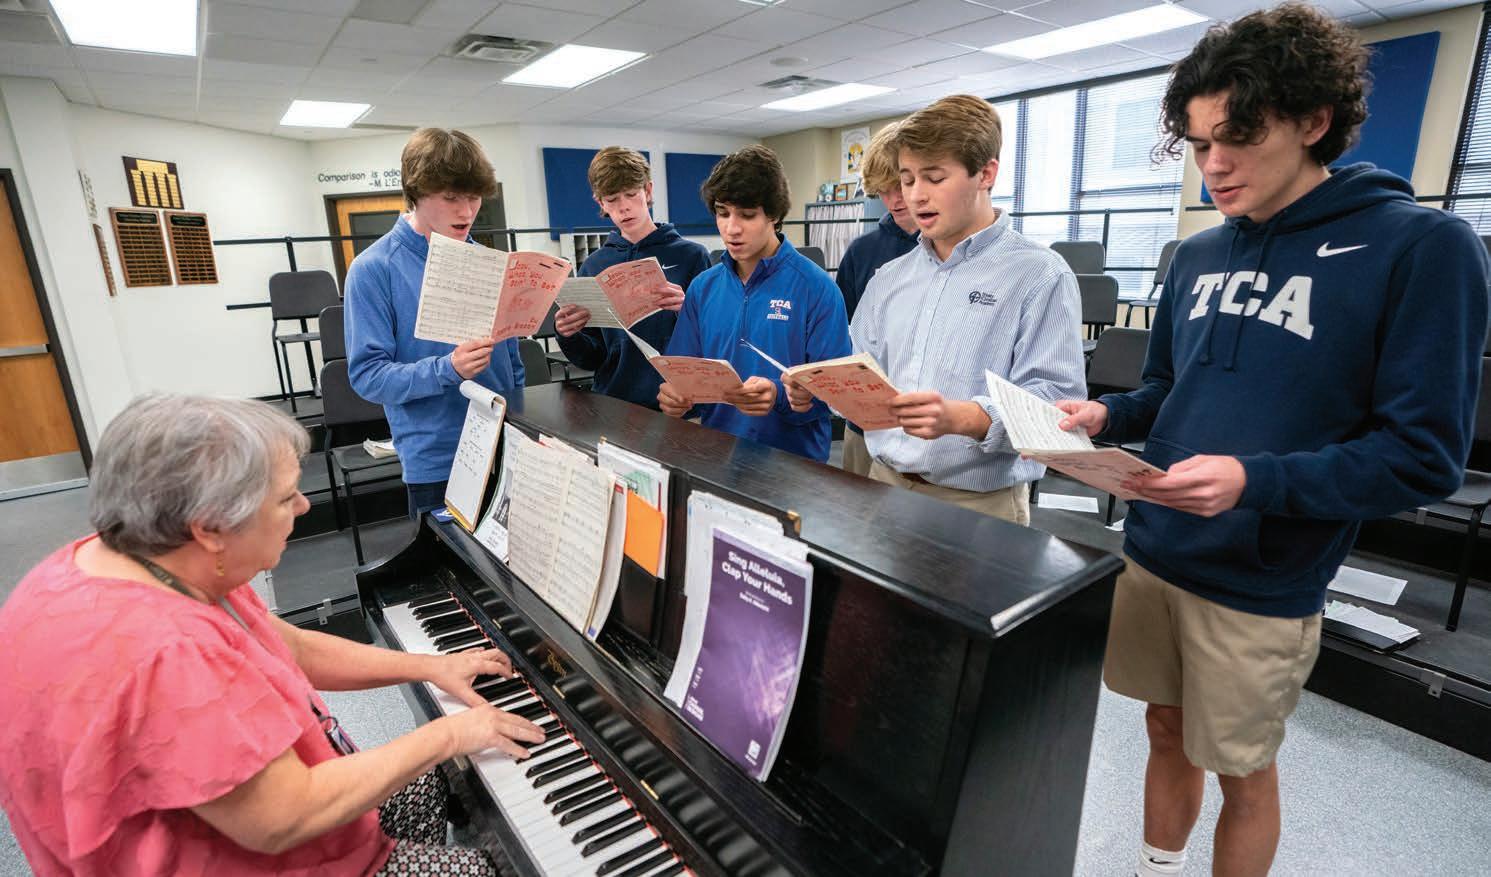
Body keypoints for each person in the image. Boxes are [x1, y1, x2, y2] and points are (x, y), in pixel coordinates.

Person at [1053, 6, 1488, 875]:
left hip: (1263, 575)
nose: (1211, 165)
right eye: (1197, 143)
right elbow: (1168, 389)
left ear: (1313, 120)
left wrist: (1252, 481)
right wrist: (1109, 417)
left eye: (1237, 138)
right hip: (1156, 544)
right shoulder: (1198, 253)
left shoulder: (1421, 246)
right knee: (1163, 726)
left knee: (1242, 770)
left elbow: (1422, 455)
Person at [0, 394, 545, 876]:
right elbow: (284, 817)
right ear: (209, 528)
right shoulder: (165, 652)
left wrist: (431, 666)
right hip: (244, 846)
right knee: (482, 864)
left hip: (236, 817)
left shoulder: (151, 559)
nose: (304, 506)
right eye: (286, 499)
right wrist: (449, 734)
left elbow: (290, 645)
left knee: (433, 782)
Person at [796, 94, 1085, 522]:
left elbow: (1055, 410)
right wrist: (822, 390)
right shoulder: (890, 278)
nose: (916, 196)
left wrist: (967, 418)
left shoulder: (1039, 275)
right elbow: (860, 372)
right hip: (884, 482)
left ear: (986, 173)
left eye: (934, 178)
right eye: (908, 179)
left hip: (978, 504)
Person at [346, 127, 524, 519]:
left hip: (505, 446)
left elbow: (510, 361)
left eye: (474, 197)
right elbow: (368, 376)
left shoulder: (487, 261)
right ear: (416, 193)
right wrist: (448, 369)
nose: (466, 211)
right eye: (451, 198)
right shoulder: (374, 268)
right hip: (437, 460)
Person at [659, 145, 851, 462]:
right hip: (718, 458)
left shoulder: (817, 289)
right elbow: (683, 372)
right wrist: (675, 396)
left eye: (747, 215)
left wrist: (778, 394)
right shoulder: (702, 288)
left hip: (795, 466)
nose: (732, 228)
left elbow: (836, 393)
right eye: (723, 213)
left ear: (773, 215)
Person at [553, 146, 711, 409]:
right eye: (612, 199)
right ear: (600, 203)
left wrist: (688, 311)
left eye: (631, 194)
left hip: (678, 404)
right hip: (614, 403)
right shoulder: (593, 265)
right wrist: (569, 335)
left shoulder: (692, 256)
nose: (624, 207)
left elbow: (715, 340)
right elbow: (592, 359)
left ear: (647, 191)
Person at [834, 123, 920, 477]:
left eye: (900, 186)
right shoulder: (862, 251)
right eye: (883, 192)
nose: (894, 200)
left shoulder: (953, 251)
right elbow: (844, 332)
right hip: (866, 424)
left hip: (928, 430)